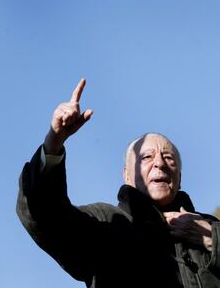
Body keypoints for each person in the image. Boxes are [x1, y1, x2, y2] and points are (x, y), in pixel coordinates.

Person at [16, 79, 220, 288]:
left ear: (180, 176)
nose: (160, 163)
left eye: (169, 158)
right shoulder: (106, 223)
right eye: (147, 157)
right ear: (127, 175)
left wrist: (213, 239)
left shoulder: (211, 227)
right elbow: (45, 216)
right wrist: (54, 141)